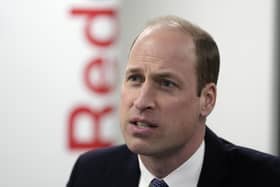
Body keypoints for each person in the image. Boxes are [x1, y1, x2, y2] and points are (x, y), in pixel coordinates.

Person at [66, 15, 280, 187]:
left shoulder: (267, 178)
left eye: (166, 83)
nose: (141, 101)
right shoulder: (90, 172)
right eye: (135, 78)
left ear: (207, 99)